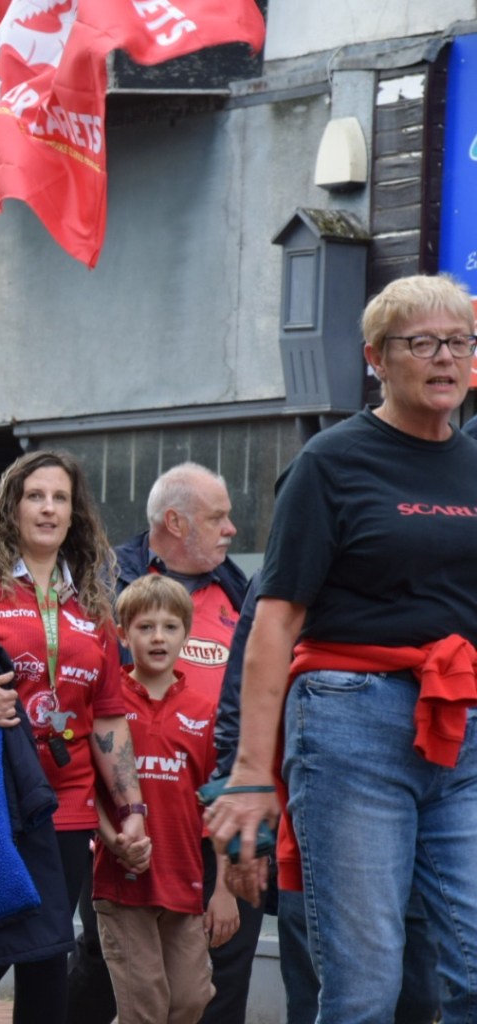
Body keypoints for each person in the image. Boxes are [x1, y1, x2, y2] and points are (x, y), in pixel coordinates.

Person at [208, 274, 477, 1022]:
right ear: (376, 358)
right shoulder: (331, 463)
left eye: (459, 342)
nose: (445, 358)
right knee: (366, 988)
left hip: (462, 725)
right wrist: (252, 774)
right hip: (350, 723)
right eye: (421, 343)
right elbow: (273, 624)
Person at [0, 450, 146, 1023]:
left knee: (44, 951)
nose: (47, 508)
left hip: (66, 806)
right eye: (35, 496)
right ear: (10, 508)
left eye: (60, 498)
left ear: (75, 514)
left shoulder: (92, 599)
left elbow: (109, 715)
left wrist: (130, 804)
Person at [70, 462, 256, 1024]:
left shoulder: (241, 591)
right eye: (218, 517)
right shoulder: (102, 583)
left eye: (169, 628)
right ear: (175, 522)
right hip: (125, 819)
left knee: (215, 968)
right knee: (111, 968)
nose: (232, 531)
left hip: (213, 811)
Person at [92, 575, 230, 1024]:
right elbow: (84, 787)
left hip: (185, 883)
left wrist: (224, 889)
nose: (157, 637)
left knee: (190, 999)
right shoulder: (107, 704)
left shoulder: (205, 711)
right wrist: (112, 840)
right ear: (123, 634)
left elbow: (221, 806)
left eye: (170, 627)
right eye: (145, 627)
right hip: (122, 883)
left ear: (186, 635)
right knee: (145, 1008)